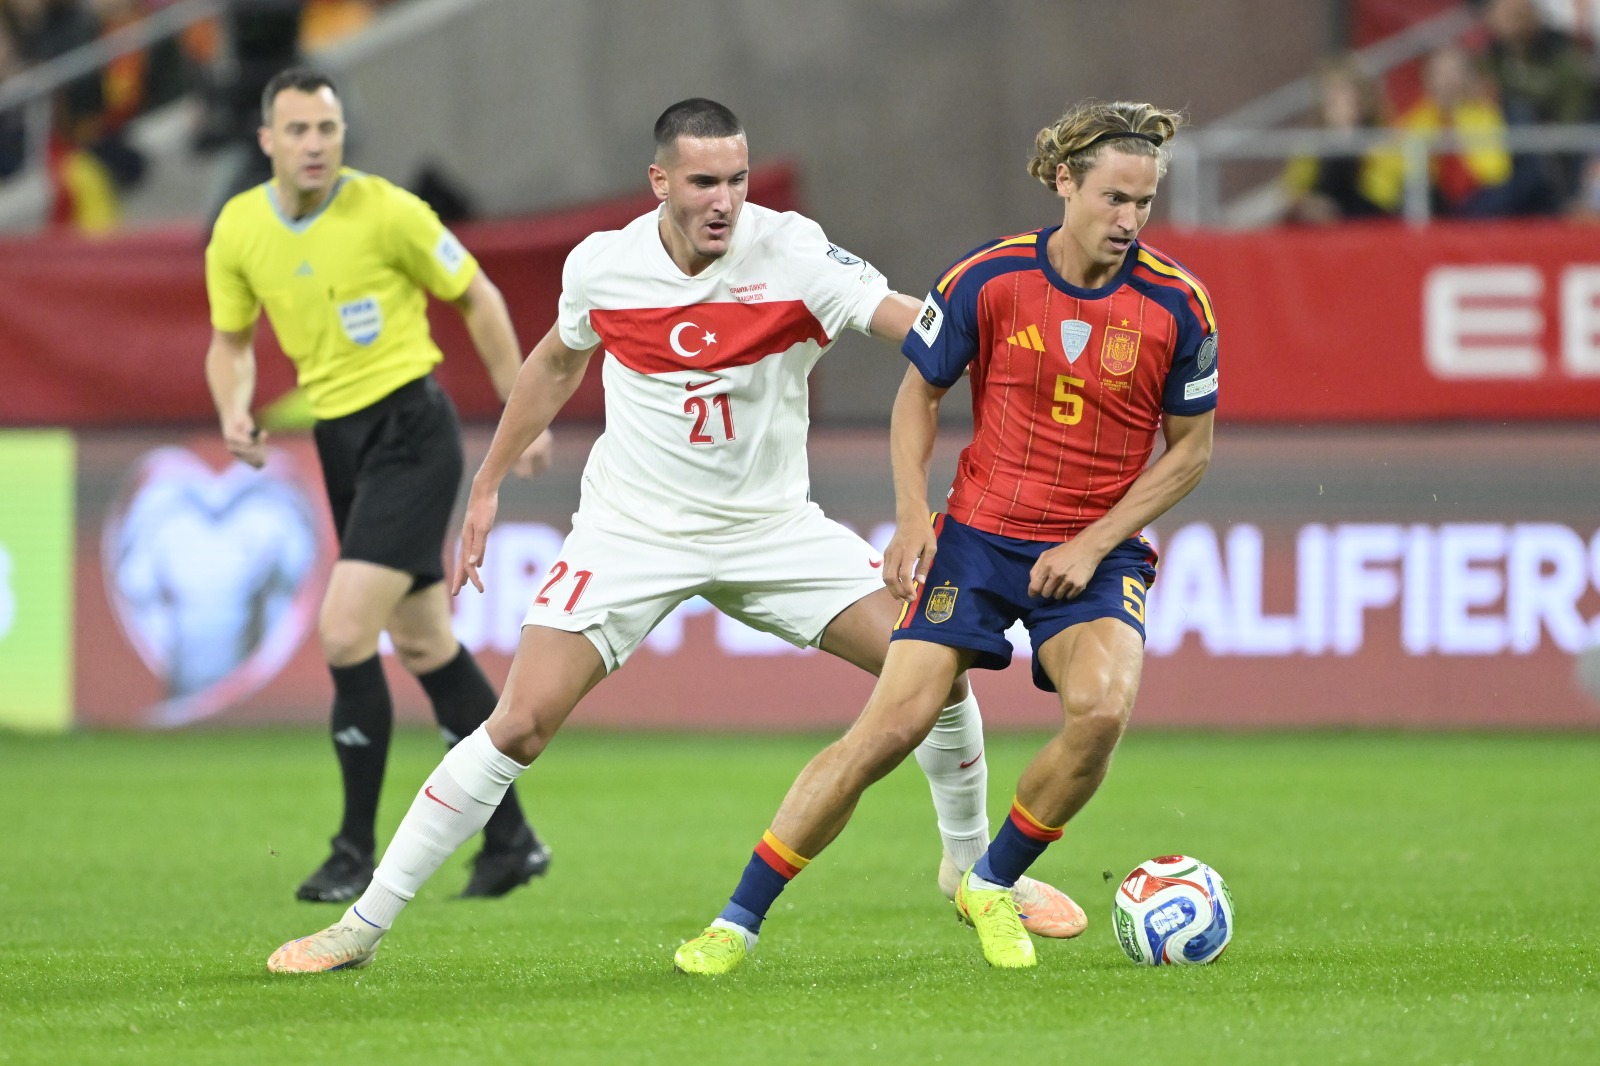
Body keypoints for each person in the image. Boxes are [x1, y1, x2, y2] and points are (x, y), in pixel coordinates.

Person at [264, 96, 1082, 974]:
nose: (724, 199)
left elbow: (898, 318)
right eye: (702, 182)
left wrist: (1000, 342)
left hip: (772, 530)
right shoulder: (605, 267)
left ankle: (966, 868)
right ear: (661, 182)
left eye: (735, 178)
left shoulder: (793, 251)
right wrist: (490, 480)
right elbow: (556, 359)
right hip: (633, 532)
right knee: (521, 723)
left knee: (934, 660)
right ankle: (363, 926)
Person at [675, 98, 1217, 973]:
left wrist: (1091, 543)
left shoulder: (1177, 306)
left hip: (1095, 551)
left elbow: (1190, 453)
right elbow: (917, 393)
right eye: (1115, 198)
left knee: (1103, 712)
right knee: (886, 732)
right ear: (1064, 182)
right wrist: (912, 515)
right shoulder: (986, 280)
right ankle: (735, 923)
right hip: (977, 538)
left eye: (1144, 203)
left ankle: (990, 882)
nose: (1130, 220)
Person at [204, 67, 553, 905]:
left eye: (327, 129)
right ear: (267, 142)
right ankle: (511, 839)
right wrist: (233, 406)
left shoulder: (388, 210)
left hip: (411, 431)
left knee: (343, 632)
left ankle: (353, 849)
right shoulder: (239, 228)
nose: (316, 144)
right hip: (340, 440)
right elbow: (231, 340)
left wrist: (521, 410)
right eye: (298, 131)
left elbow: (479, 294)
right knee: (427, 643)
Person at [1281, 54, 1402, 224]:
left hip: (1369, 223)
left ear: (1362, 98)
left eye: (1343, 92)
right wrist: (1307, 203)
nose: (1337, 101)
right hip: (1322, 229)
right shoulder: (1312, 142)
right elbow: (1292, 189)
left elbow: (1383, 198)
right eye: (1331, 95)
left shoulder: (1384, 137)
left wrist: (1346, 140)